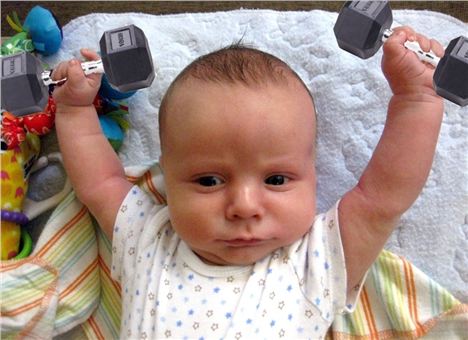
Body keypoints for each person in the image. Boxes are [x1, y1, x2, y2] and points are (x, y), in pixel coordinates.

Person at [52, 26, 444, 338]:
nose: (243, 205)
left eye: (275, 179)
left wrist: (416, 100)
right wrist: (73, 110)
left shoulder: (316, 260)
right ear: (167, 177)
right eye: (208, 180)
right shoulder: (150, 239)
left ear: (313, 176)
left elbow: (383, 197)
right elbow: (101, 182)